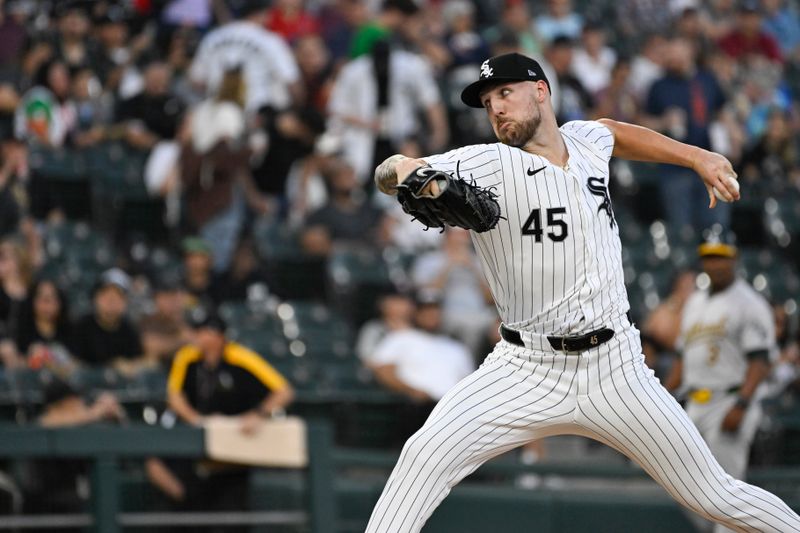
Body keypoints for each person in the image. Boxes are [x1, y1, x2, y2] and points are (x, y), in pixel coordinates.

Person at [367, 51, 800, 532]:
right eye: (488, 102)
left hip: (615, 367)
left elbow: (616, 131)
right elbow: (395, 169)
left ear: (541, 91)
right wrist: (408, 174)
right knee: (423, 456)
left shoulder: (585, 140)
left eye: (505, 94)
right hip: (525, 369)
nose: (496, 109)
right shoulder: (487, 161)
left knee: (715, 495)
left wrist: (697, 156)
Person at [666, 233, 776, 533]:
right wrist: (663, 397)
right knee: (680, 486)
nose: (714, 263)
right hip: (694, 403)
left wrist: (741, 403)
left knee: (727, 494)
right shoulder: (695, 302)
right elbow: (680, 356)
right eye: (709, 256)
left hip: (729, 400)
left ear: (733, 259)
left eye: (720, 256)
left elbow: (760, 360)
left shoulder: (749, 302)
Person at [71, 268, 142, 366]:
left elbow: (136, 362)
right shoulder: (81, 327)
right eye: (106, 295)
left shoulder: (129, 331)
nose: (111, 301)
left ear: (126, 302)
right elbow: (73, 364)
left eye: (118, 296)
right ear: (96, 298)